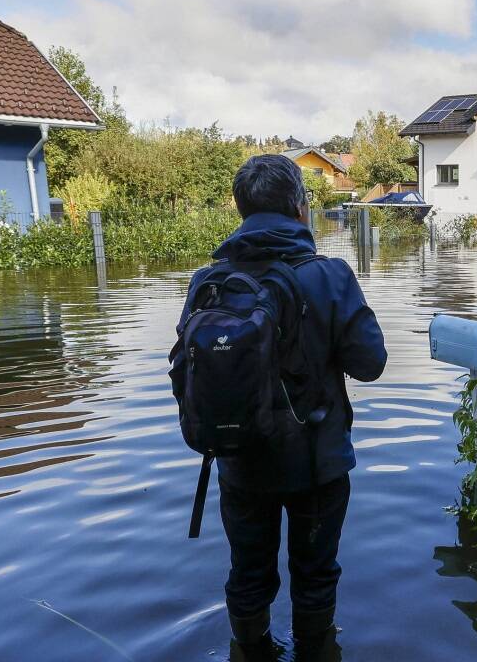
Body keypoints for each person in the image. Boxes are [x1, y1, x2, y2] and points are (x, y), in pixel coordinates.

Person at [173, 154, 386, 653]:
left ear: (241, 209)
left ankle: (251, 649)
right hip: (318, 464)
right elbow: (371, 362)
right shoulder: (330, 276)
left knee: (247, 573)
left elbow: (186, 371)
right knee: (315, 575)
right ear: (299, 207)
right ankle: (316, 650)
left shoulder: (207, 282)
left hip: (239, 461)